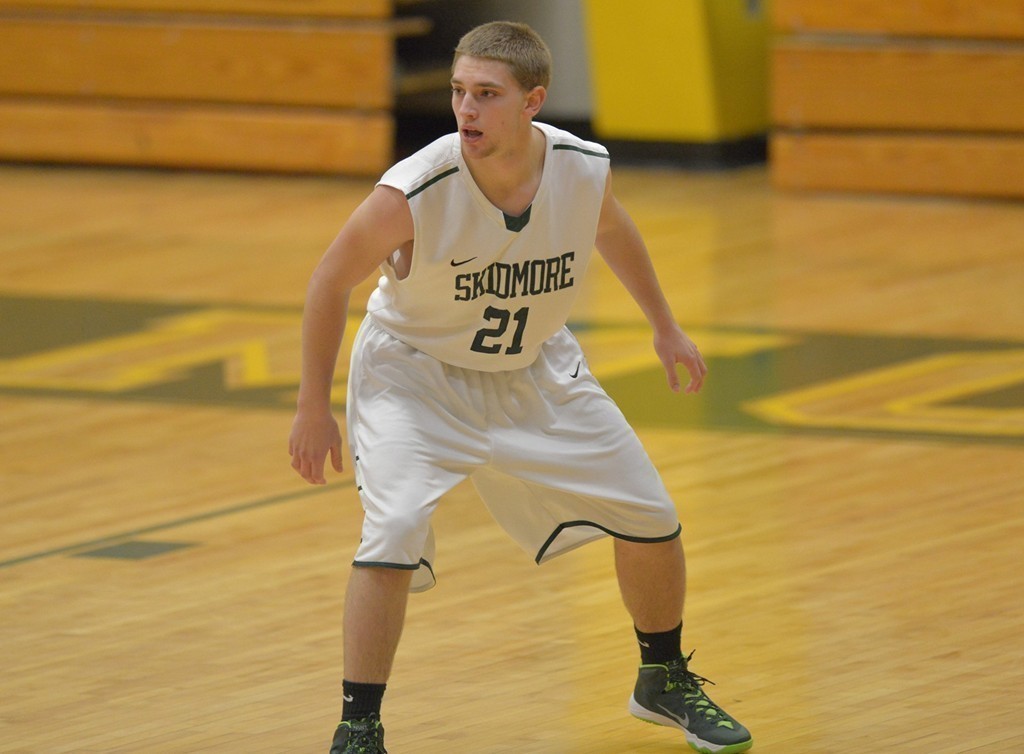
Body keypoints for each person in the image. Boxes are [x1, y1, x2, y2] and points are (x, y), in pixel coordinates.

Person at [288, 20, 752, 754]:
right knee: (395, 529)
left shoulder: (579, 169)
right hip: (414, 376)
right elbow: (327, 281)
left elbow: (612, 229)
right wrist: (312, 405)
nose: (465, 109)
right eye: (458, 92)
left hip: (533, 368)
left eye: (486, 94)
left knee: (653, 517)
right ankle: (358, 726)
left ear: (533, 101)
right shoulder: (414, 189)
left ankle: (662, 680)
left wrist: (664, 326)